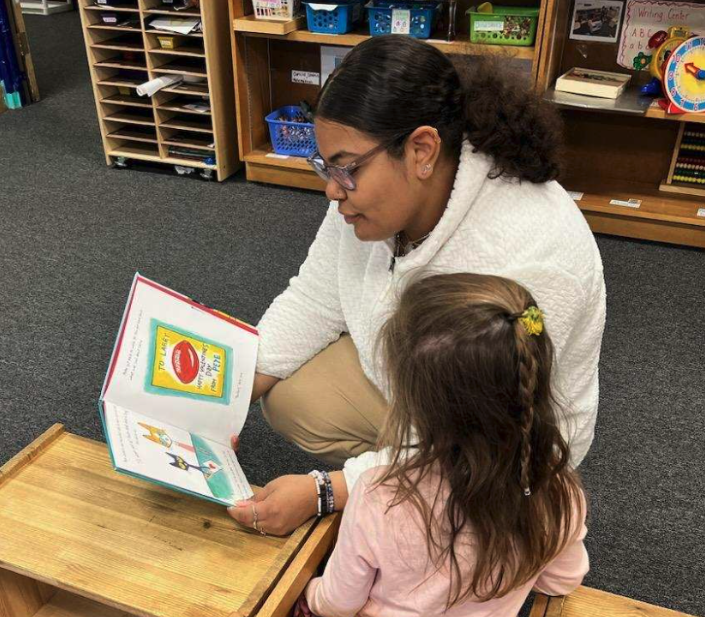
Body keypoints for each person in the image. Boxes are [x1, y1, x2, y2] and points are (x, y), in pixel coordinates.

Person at [227, 35, 606, 536]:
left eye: (345, 167)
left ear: (422, 149)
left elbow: (491, 441)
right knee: (290, 397)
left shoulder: (525, 259)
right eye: (324, 166)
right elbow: (314, 298)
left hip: (509, 444)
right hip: (422, 384)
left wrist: (328, 490)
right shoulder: (372, 198)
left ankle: (416, 490)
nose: (331, 188)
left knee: (464, 527)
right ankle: (399, 476)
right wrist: (224, 400)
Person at [296, 273, 589, 617]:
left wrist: (307, 590)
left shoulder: (378, 495)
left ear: (416, 403)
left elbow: (337, 605)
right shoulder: (560, 494)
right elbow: (563, 581)